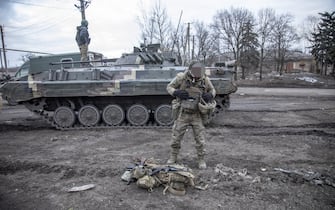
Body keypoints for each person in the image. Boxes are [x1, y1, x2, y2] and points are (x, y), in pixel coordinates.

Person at [166, 61, 216, 169]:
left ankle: (201, 159)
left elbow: (213, 90)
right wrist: (176, 92)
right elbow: (169, 87)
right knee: (176, 137)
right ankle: (173, 157)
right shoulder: (181, 78)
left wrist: (210, 95)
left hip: (197, 114)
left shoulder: (204, 80)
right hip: (183, 113)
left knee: (200, 139)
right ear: (190, 70)